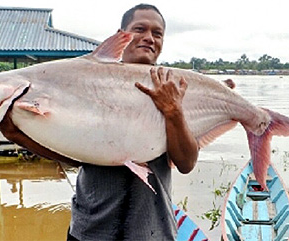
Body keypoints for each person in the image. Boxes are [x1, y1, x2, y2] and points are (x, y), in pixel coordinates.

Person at [68, 4, 199, 241]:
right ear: (122, 34)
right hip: (90, 231)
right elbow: (68, 153)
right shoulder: (94, 81)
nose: (149, 38)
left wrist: (173, 112)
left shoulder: (175, 88)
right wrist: (15, 132)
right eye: (140, 29)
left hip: (153, 231)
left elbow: (186, 163)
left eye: (157, 33)